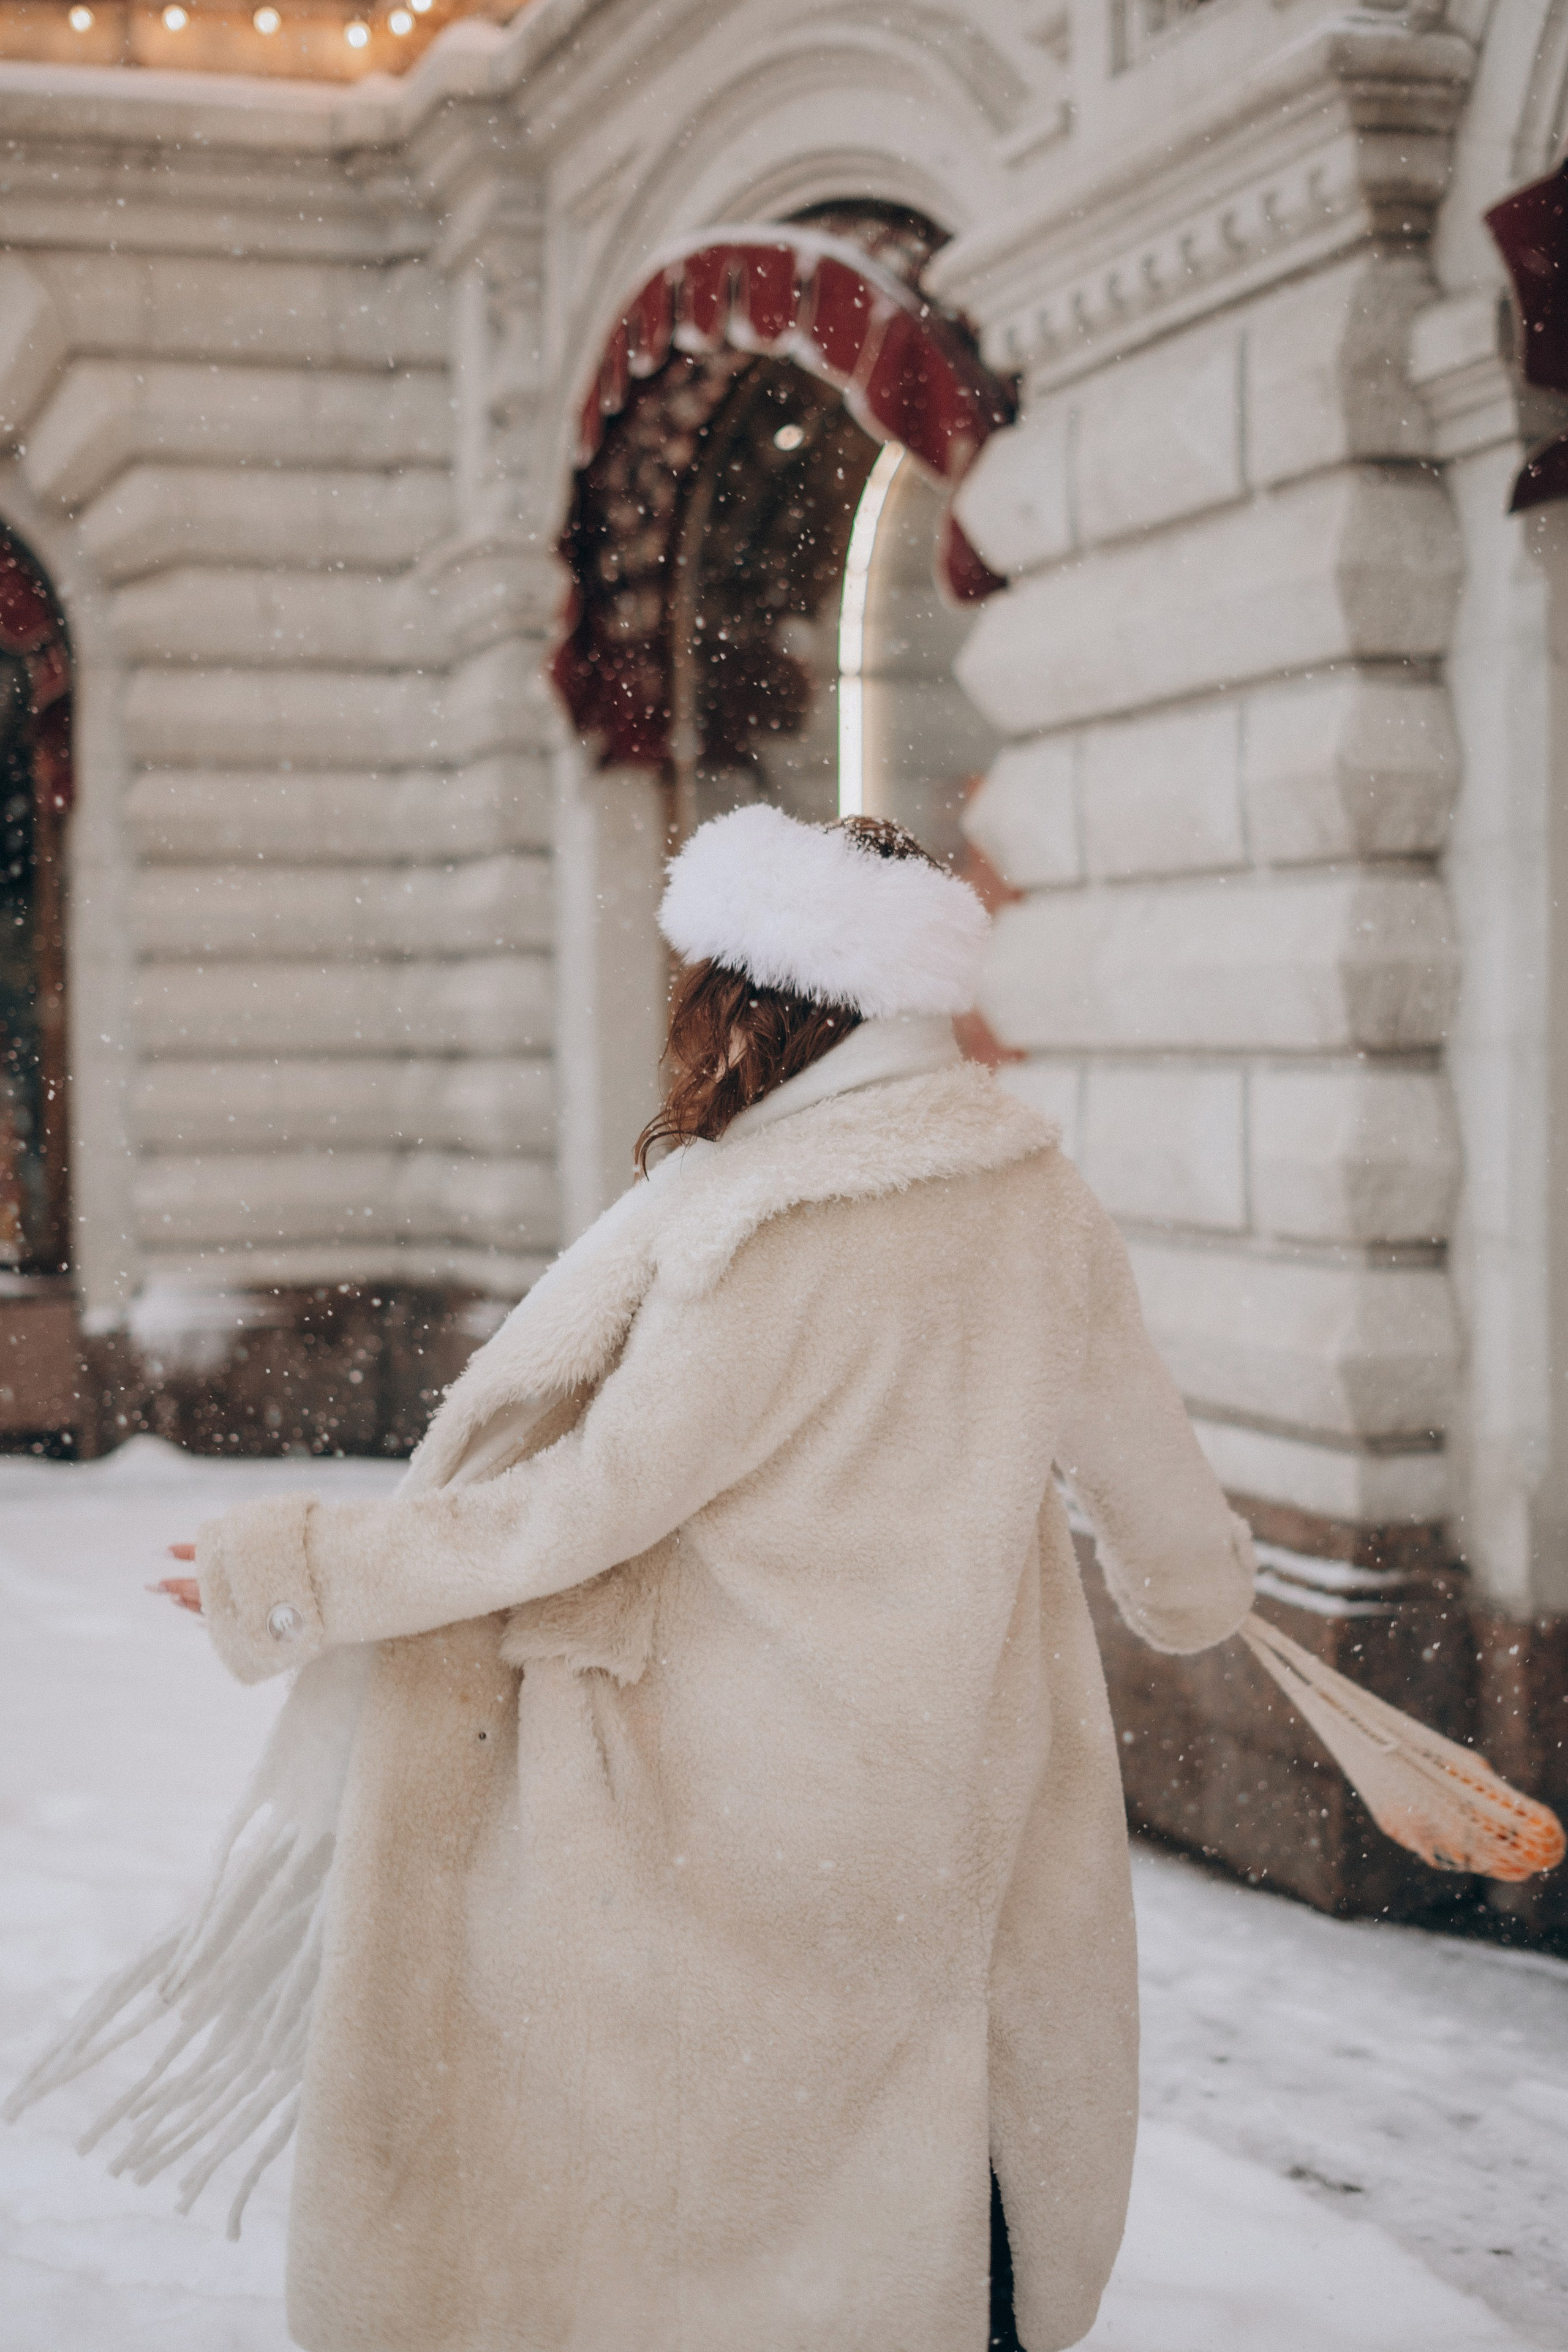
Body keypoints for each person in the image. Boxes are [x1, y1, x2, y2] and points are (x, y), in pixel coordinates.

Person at [121, 807, 1255, 2349]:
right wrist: (1194, 1592)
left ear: (760, 1002)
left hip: (722, 1798)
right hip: (946, 1793)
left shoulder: (755, 1228)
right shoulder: (1037, 1201)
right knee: (933, 2124)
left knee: (707, 2197)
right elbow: (1170, 1535)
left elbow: (582, 1509)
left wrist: (306, 1568)